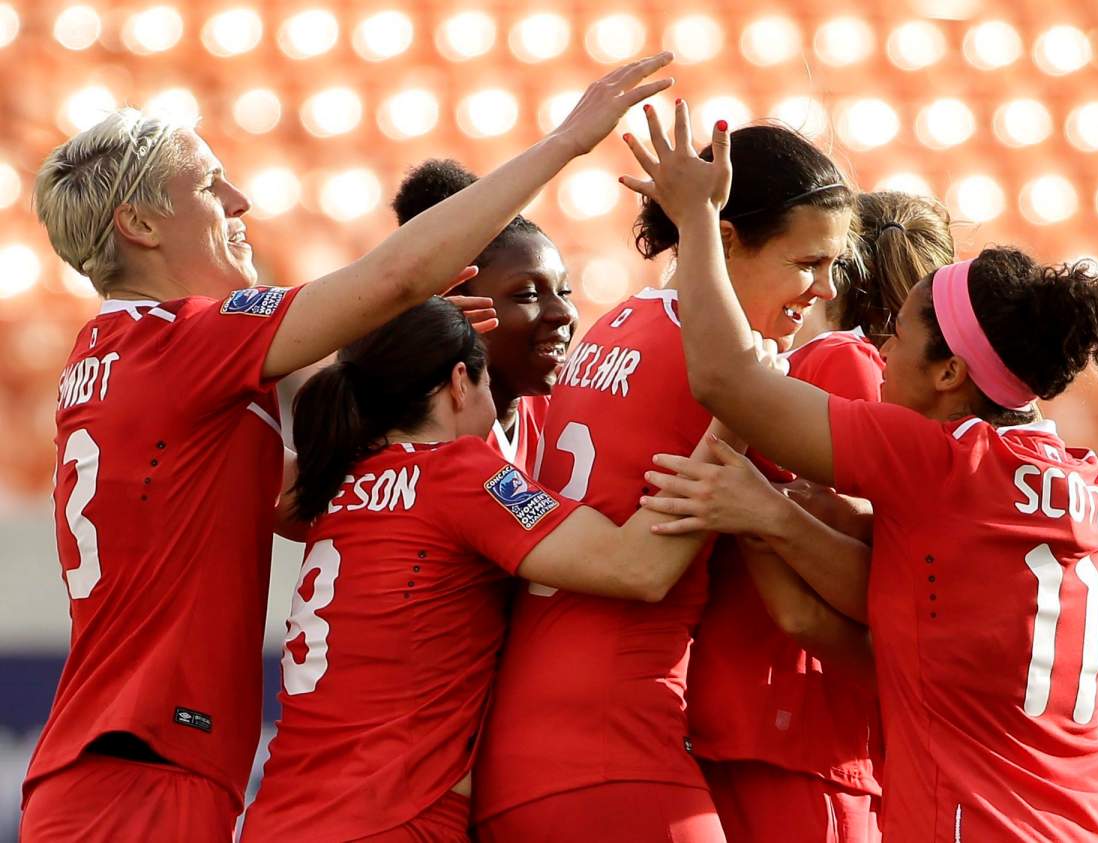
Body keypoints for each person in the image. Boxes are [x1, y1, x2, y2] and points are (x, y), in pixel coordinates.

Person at [19, 53, 675, 842]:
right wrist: (566, 141)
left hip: (117, 762)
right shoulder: (185, 341)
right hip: (148, 766)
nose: (240, 200)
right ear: (142, 225)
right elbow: (392, 277)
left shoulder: (107, 356)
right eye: (208, 184)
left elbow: (280, 495)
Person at [624, 101, 1098, 840]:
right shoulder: (1094, 486)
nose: (878, 353)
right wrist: (792, 519)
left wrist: (697, 222)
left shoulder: (938, 458)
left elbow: (726, 379)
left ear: (949, 373)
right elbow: (938, 611)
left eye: (896, 336)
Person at [473, 118, 855, 842]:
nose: (824, 291)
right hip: (619, 750)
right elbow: (832, 577)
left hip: (522, 754)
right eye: (808, 262)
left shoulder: (611, 328)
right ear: (728, 237)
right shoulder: (732, 369)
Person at [240, 297, 733, 842]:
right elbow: (638, 566)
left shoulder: (332, 484)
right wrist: (735, 414)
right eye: (487, 385)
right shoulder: (457, 471)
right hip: (389, 818)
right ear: (458, 381)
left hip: (281, 818)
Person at [683, 190, 955, 843]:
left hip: (757, 723)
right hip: (802, 730)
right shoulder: (852, 368)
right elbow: (866, 588)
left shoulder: (794, 373)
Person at [392, 160, 578, 471]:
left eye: (565, 291)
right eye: (529, 295)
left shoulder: (566, 414)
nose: (563, 312)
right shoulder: (408, 439)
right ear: (452, 304)